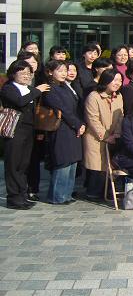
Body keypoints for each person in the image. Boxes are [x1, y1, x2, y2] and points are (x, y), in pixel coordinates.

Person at [0, 61, 50, 209]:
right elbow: (20, 102)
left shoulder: (28, 88)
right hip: (14, 130)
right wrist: (37, 90)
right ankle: (13, 197)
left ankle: (22, 194)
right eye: (22, 73)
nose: (25, 76)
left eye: (28, 73)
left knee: (24, 164)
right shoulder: (9, 88)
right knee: (14, 164)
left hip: (28, 130)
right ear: (13, 74)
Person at [41, 61, 85, 205]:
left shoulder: (66, 87)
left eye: (65, 70)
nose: (64, 73)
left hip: (73, 128)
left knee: (72, 162)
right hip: (61, 129)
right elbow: (63, 110)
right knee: (63, 163)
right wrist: (78, 124)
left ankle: (66, 194)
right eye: (60, 71)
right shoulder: (50, 89)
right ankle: (56, 196)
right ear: (50, 72)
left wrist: (80, 124)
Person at [83, 69, 124, 201]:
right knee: (97, 167)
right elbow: (93, 120)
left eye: (120, 80)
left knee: (109, 166)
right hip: (96, 137)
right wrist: (106, 136)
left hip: (113, 137)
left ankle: (107, 192)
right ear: (106, 80)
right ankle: (93, 194)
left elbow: (120, 117)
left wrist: (117, 134)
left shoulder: (119, 96)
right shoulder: (94, 96)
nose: (118, 83)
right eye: (115, 80)